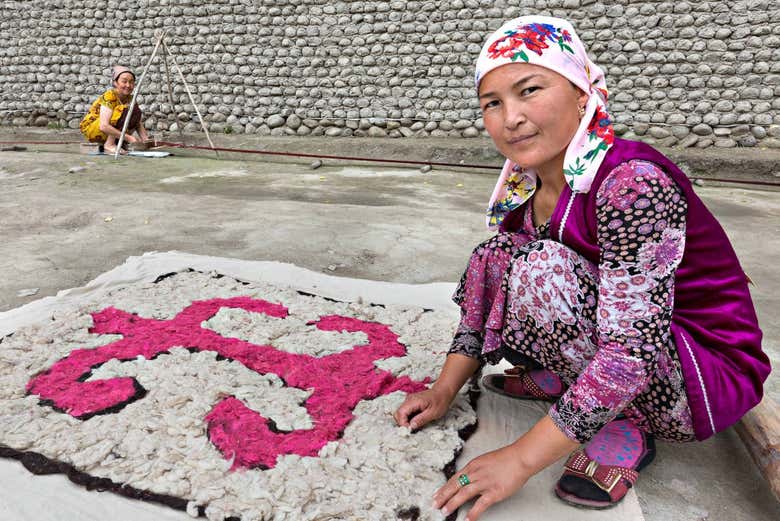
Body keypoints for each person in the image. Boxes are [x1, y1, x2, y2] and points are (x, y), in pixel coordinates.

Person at [393, 15, 769, 519]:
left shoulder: (631, 183)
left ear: (580, 92)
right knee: (496, 256)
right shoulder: (529, 187)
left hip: (701, 374)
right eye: (492, 103)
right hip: (641, 348)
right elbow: (491, 283)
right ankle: (572, 380)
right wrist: (444, 390)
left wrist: (520, 458)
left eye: (529, 90)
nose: (511, 118)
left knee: (543, 269)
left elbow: (632, 349)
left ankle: (628, 422)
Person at [80, 65, 150, 155]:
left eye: (131, 82)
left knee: (135, 111)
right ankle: (109, 144)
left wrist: (146, 140)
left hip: (109, 131)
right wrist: (129, 138)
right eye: (124, 81)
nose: (128, 85)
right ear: (115, 83)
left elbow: (138, 122)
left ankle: (117, 141)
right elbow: (103, 126)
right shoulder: (110, 96)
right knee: (123, 110)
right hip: (93, 130)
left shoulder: (130, 98)